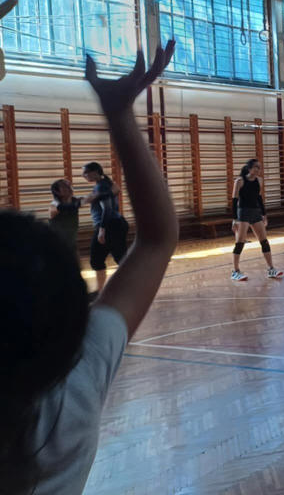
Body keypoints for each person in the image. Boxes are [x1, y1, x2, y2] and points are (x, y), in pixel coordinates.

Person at [0, 42, 178, 495]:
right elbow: (158, 239)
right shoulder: (72, 395)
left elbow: (148, 236)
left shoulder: (93, 193)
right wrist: (120, 113)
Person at [230, 159, 284, 281]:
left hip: (255, 213)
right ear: (249, 168)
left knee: (264, 241)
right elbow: (234, 201)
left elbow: (259, 198)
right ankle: (235, 271)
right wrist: (234, 219)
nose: (258, 169)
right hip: (243, 213)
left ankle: (271, 269)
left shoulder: (259, 180)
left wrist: (264, 214)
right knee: (240, 243)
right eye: (256, 167)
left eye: (259, 167)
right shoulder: (239, 181)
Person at [82, 162, 128, 292]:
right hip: (115, 224)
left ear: (95, 172)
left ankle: (102, 290)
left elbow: (107, 209)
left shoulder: (101, 186)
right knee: (119, 258)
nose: (83, 176)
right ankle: (102, 290)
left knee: (98, 259)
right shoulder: (105, 184)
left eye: (85, 173)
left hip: (109, 226)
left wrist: (102, 230)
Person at [48, 179, 82, 253]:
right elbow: (62, 208)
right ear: (57, 192)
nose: (69, 187)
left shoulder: (74, 200)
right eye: (64, 186)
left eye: (69, 185)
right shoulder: (54, 204)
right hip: (57, 241)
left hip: (71, 239)